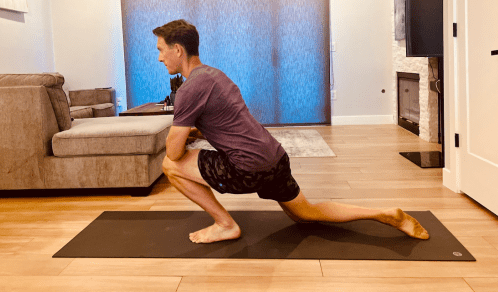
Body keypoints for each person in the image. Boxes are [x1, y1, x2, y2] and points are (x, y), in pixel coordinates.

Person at [154, 19, 430, 244]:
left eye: (161, 50)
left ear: (178, 50)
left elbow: (174, 152)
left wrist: (178, 138)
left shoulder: (189, 89)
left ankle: (225, 224)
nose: (159, 58)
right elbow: (230, 125)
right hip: (274, 158)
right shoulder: (215, 75)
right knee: (305, 213)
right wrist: (199, 134)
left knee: (170, 165)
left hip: (248, 167)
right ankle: (384, 213)